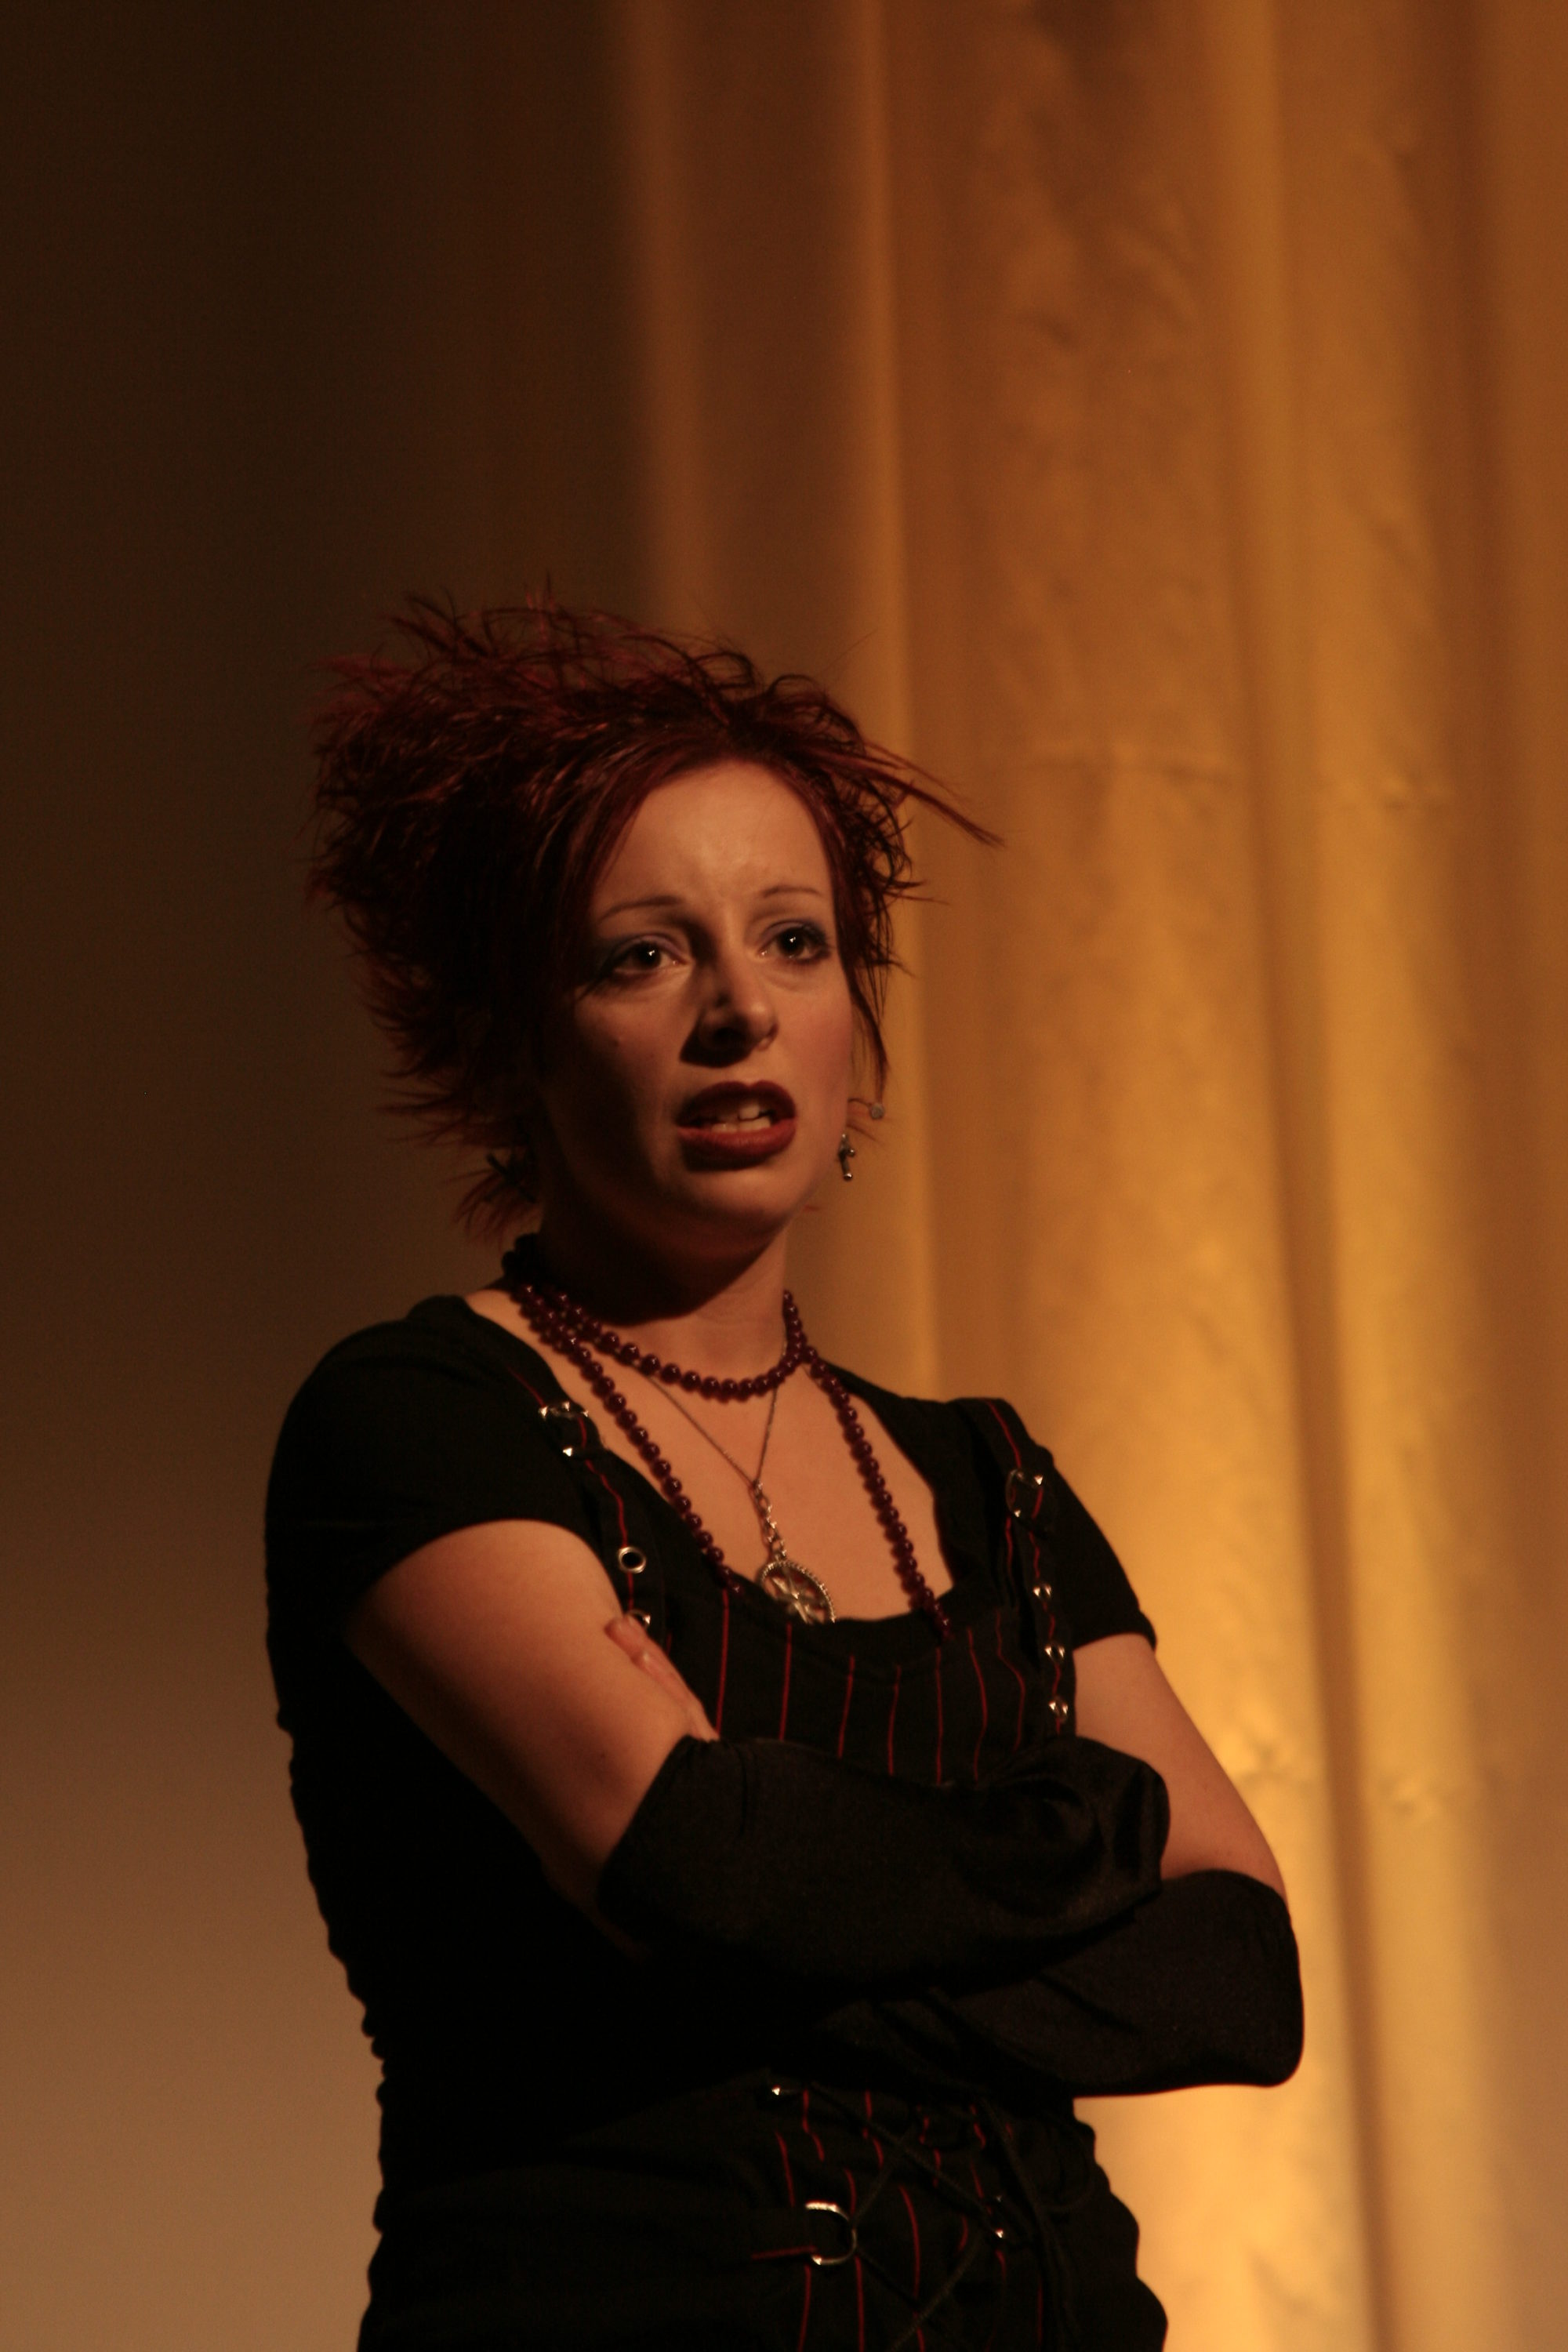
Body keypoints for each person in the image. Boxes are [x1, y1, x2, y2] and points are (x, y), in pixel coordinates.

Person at [266, 601, 1303, 2352]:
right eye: (641, 956)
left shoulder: (985, 1480)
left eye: (795, 942)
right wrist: (1084, 1826)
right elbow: (705, 1864)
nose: (741, 1010)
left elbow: (1237, 1977)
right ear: (512, 1043)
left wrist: (776, 1930)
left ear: (854, 1022)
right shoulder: (421, 1417)